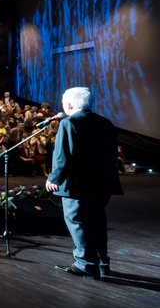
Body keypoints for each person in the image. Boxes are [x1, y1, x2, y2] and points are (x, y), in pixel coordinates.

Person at [46, 87, 123, 279]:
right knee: (97, 221)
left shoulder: (69, 123)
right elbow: (112, 154)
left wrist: (53, 178)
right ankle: (102, 263)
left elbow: (64, 156)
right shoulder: (106, 123)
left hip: (77, 185)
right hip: (102, 184)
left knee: (77, 222)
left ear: (69, 104)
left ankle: (85, 264)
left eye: (64, 103)